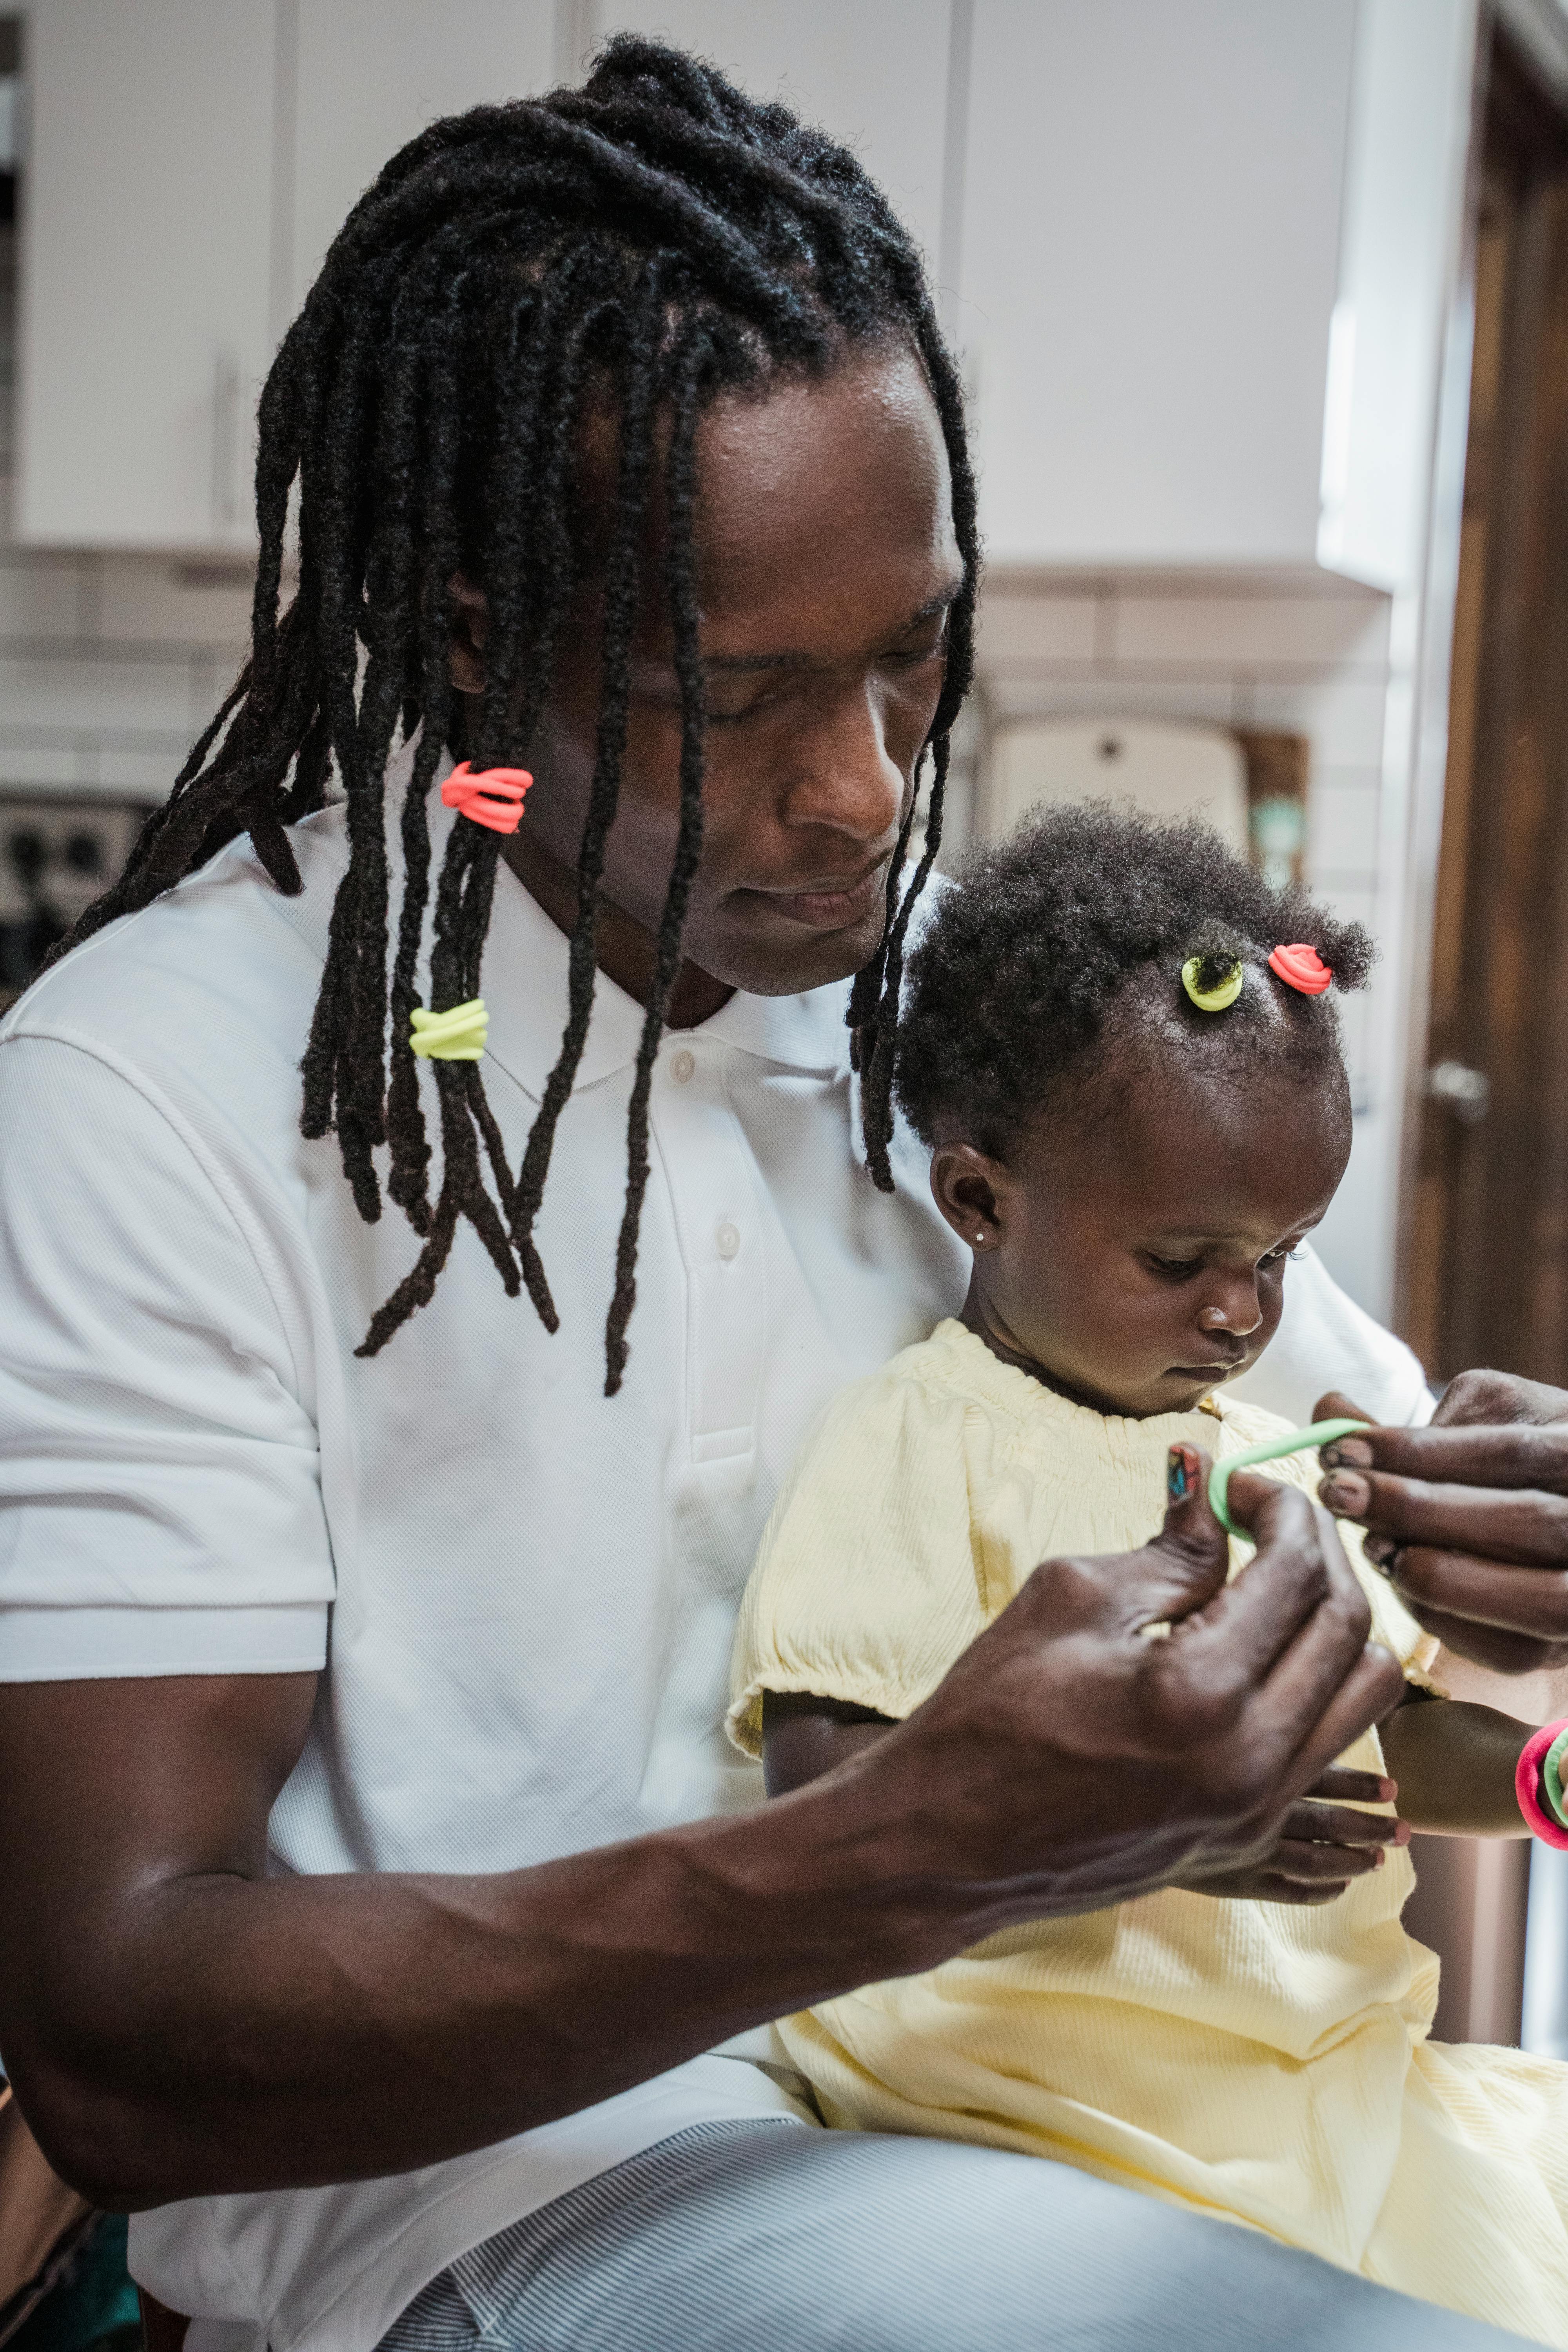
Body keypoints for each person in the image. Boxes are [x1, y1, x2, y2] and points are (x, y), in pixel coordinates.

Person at [0, 39, 1557, 2352]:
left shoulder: (1002, 1038)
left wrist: (1491, 1550)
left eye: (915, 654)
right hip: (538, 2197)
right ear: (468, 649)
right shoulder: (163, 1087)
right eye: (734, 699)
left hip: (1081, 2115)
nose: (860, 790)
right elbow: (120, 2034)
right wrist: (895, 1855)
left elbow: (1342, 1497)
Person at [732, 805, 1568, 2346]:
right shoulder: (924, 1441)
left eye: (1283, 1253)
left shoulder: (1266, 1456)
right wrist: (1144, 1834)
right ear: (979, 1202)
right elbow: (825, 1793)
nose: (1244, 1314)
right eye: (1182, 1264)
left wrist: (1534, 1781)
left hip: (1336, 2086)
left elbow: (1370, 1728)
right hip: (1058, 2111)